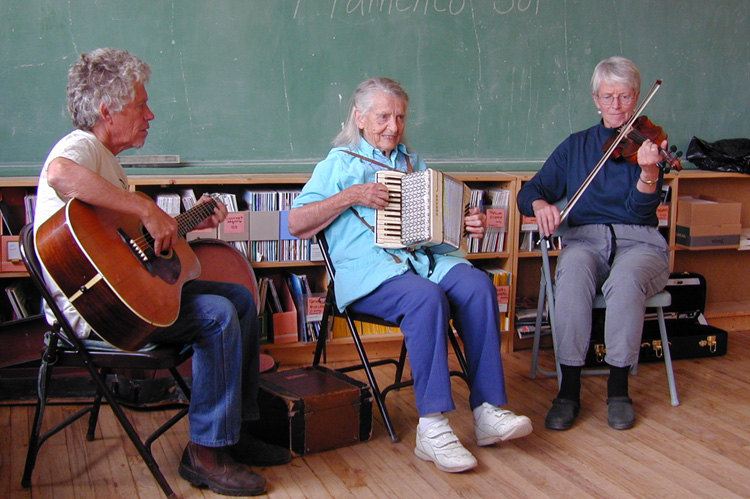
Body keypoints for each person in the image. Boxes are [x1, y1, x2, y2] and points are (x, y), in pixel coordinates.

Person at [33, 48, 289, 496]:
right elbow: (59, 173)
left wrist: (183, 225)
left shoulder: (108, 165)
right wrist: (144, 207)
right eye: (140, 105)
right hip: (96, 313)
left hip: (121, 296)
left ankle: (235, 431)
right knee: (217, 314)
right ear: (107, 111)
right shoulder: (80, 147)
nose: (149, 114)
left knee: (243, 299)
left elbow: (130, 254)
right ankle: (206, 454)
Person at [287, 77, 532, 473]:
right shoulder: (339, 164)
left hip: (421, 264)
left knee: (476, 285)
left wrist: (465, 223)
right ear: (360, 118)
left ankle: (488, 411)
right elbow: (296, 224)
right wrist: (353, 195)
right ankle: (432, 428)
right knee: (425, 298)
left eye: (399, 117)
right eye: (383, 116)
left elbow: (431, 232)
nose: (393, 126)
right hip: (368, 276)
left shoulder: (411, 163)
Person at [517, 56, 670, 431]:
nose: (616, 106)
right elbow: (530, 191)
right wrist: (540, 205)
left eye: (624, 96)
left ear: (636, 98)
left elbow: (640, 211)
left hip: (641, 243)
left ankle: (619, 390)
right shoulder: (575, 147)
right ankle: (568, 391)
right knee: (571, 272)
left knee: (626, 279)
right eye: (608, 96)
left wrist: (649, 173)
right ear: (595, 100)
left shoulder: (648, 146)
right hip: (585, 240)